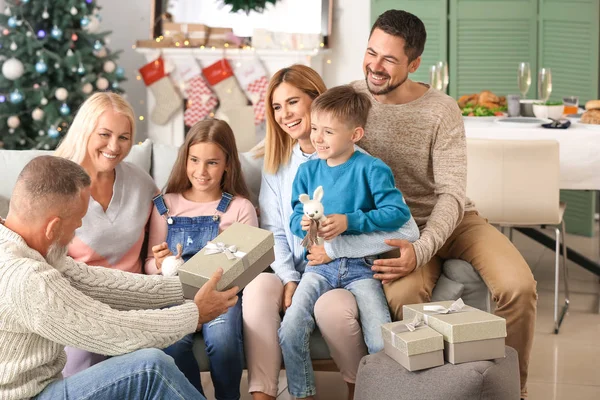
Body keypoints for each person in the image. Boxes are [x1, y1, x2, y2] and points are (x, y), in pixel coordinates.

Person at [349, 10, 536, 399]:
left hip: (457, 220)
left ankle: (513, 391)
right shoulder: (351, 100)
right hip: (399, 227)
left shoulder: (441, 108)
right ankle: (424, 389)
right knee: (401, 298)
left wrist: (422, 250)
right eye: (371, 53)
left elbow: (451, 192)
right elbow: (308, 138)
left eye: (389, 59)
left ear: (414, 64)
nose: (375, 67)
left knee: (519, 286)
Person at [0, 155, 239, 400]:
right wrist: (195, 314)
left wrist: (187, 285)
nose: (74, 235)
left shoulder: (20, 247)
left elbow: (97, 283)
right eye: (75, 226)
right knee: (151, 369)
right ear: (52, 227)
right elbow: (111, 329)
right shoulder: (26, 278)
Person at [242, 65, 413, 400]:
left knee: (348, 319)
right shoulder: (283, 164)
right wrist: (290, 276)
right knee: (263, 295)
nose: (285, 114)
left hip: (349, 265)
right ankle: (276, 394)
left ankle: (364, 390)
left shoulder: (365, 165)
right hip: (300, 267)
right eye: (277, 107)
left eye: (292, 102)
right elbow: (278, 227)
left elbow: (403, 224)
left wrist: (343, 234)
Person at [145, 119, 257, 399]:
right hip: (174, 293)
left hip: (221, 293)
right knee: (173, 343)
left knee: (224, 342)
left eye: (212, 163)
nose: (201, 171)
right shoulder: (165, 204)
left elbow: (251, 267)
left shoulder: (240, 207)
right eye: (194, 160)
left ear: (228, 164)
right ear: (185, 160)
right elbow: (147, 264)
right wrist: (159, 263)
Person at [54, 92, 159, 376]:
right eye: (105, 134)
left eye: (124, 137)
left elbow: (161, 243)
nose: (114, 146)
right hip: (77, 304)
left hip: (133, 302)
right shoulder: (55, 183)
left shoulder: (141, 183)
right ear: (86, 131)